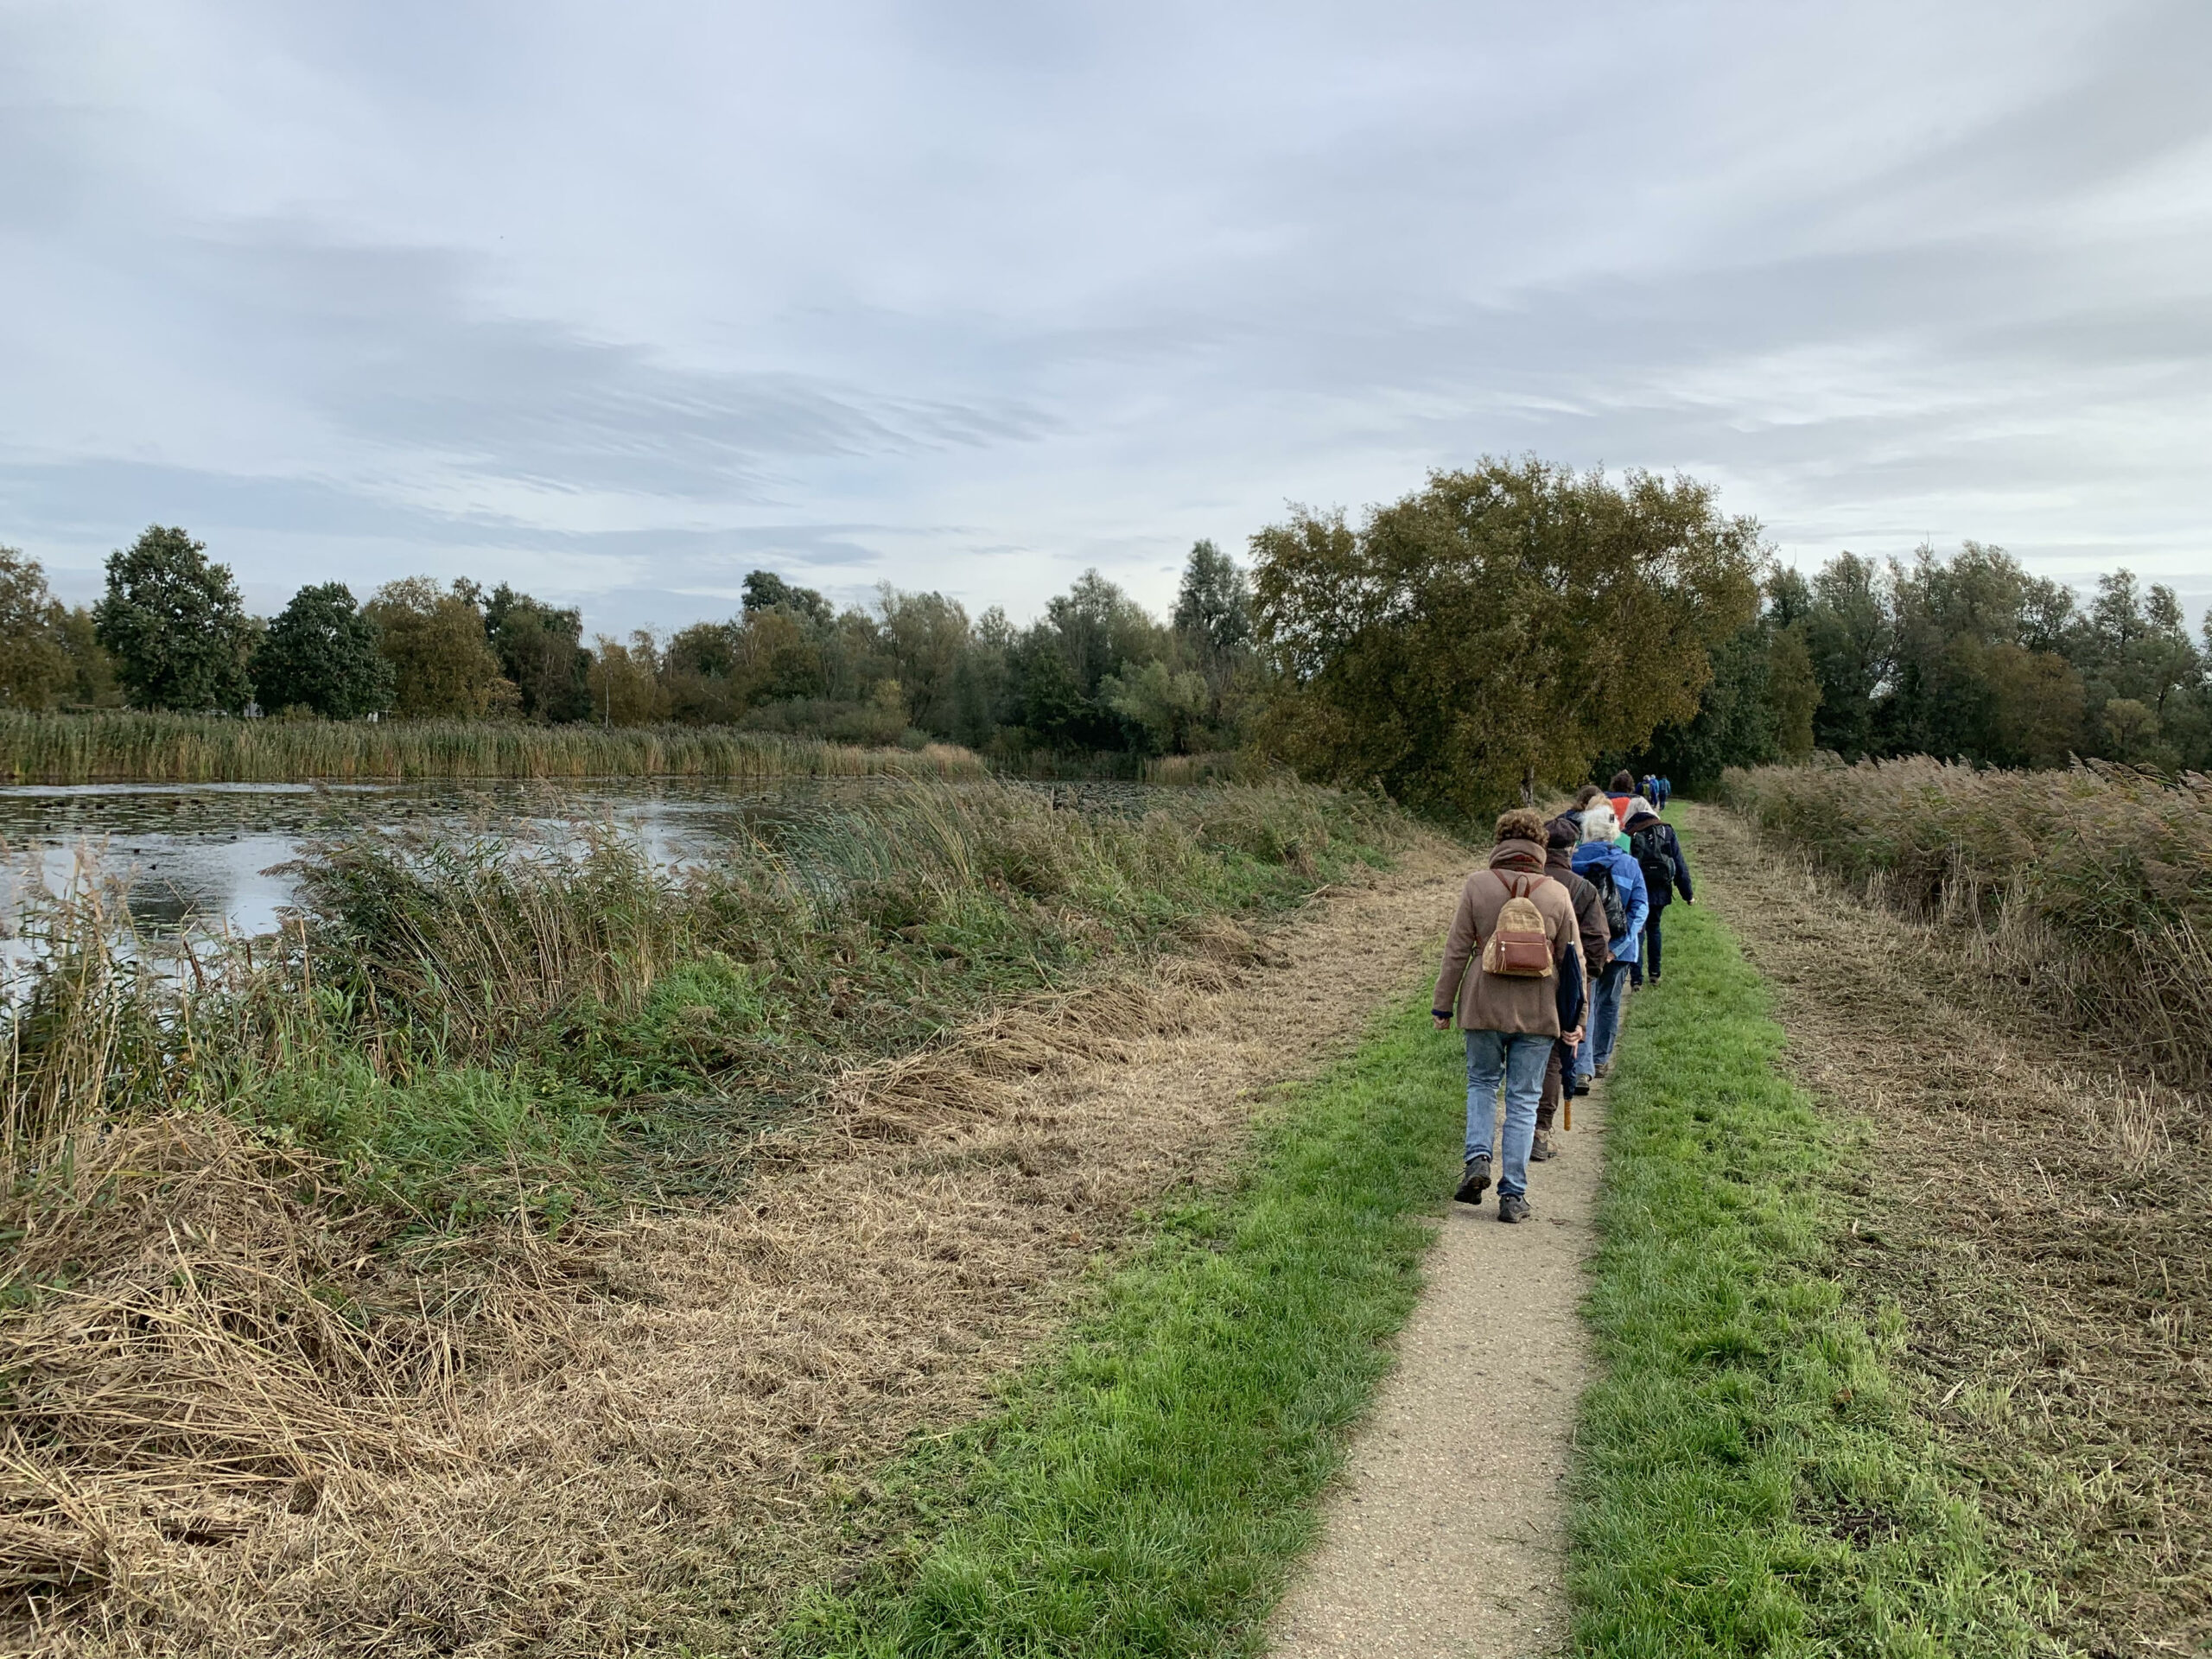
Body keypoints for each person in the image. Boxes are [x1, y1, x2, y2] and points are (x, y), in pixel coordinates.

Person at [1433, 808, 1585, 1224]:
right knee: (1523, 1099)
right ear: (1541, 846)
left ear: (1499, 842)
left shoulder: (1478, 886)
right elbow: (1574, 964)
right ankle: (1513, 1196)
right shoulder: (1556, 893)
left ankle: (1478, 1158)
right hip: (1539, 1012)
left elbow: (1456, 951)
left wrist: (1442, 1006)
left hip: (1482, 1005)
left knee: (1482, 1083)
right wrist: (1577, 1018)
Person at [1536, 812, 1609, 1159]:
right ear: (1573, 849)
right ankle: (1540, 1131)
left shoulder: (1526, 882)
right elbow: (1596, 944)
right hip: (1566, 985)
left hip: (1520, 980)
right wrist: (1585, 981)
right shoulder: (1583, 889)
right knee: (1555, 1058)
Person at [1572, 804, 1648, 1083]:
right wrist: (1618, 947)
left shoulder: (1574, 862)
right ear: (1615, 832)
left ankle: (1581, 1065)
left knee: (1583, 1002)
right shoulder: (1630, 864)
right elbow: (1640, 908)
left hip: (1582, 946)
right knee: (1609, 1003)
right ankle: (1601, 1059)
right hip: (1619, 948)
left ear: (1587, 832)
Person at [1624, 798, 1693, 985]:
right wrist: (1688, 894)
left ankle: (1636, 979)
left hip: (1636, 890)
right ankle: (1655, 973)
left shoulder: (1627, 833)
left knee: (1637, 931)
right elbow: (1679, 864)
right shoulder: (1666, 830)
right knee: (1655, 928)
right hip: (1660, 889)